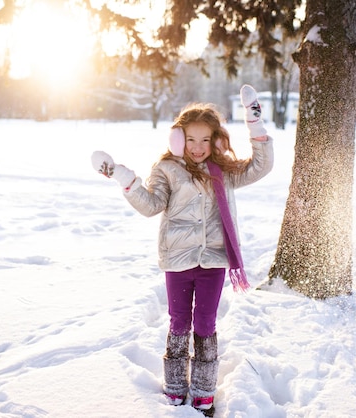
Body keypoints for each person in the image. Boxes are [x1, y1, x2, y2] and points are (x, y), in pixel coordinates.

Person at [90, 85, 273, 416]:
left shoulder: (224, 170)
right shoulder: (168, 169)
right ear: (178, 139)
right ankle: (175, 389)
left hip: (214, 259)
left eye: (206, 140)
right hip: (177, 260)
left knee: (205, 322)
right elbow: (151, 205)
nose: (199, 147)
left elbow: (260, 167)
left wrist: (255, 123)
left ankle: (203, 392)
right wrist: (126, 180)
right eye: (191, 140)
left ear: (216, 140)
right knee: (178, 321)